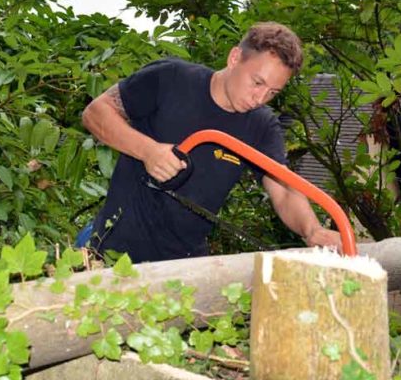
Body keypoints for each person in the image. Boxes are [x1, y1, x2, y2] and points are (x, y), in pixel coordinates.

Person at [78, 22, 342, 262]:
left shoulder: (261, 126)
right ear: (235, 57)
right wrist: (148, 151)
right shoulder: (171, 79)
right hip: (113, 251)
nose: (259, 98)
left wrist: (312, 230)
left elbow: (283, 189)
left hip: (184, 263)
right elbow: (96, 113)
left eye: (273, 92)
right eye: (257, 82)